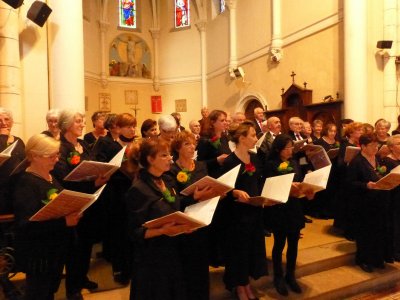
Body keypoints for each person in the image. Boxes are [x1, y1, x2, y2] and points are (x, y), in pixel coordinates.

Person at [11, 134, 81, 300]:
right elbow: (26, 225)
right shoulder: (26, 183)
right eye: (51, 156)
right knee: (39, 294)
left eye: (57, 154)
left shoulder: (50, 177)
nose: (56, 159)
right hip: (39, 255)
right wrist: (65, 222)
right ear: (34, 156)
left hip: (54, 251)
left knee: (49, 291)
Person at [52, 110, 108, 300]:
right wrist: (93, 183)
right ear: (67, 125)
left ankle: (82, 277)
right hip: (73, 202)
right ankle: (72, 289)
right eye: (78, 121)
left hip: (89, 201)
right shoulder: (61, 147)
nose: (83, 124)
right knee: (74, 249)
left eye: (83, 121)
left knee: (86, 245)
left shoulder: (83, 144)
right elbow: (63, 178)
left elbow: (90, 165)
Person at [125, 138, 189, 300]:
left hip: (173, 250)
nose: (170, 158)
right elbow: (135, 233)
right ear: (150, 159)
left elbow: (175, 208)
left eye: (169, 154)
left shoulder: (167, 180)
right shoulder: (138, 189)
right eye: (163, 155)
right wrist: (162, 230)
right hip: (152, 258)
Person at [166, 130, 219, 300]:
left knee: (201, 264)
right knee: (185, 264)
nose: (192, 147)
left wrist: (216, 192)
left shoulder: (202, 166)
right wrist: (192, 197)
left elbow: (208, 186)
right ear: (178, 148)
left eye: (193, 143)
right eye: (187, 144)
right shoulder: (172, 170)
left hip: (203, 218)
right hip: (184, 221)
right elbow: (171, 199)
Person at [220, 121, 268, 300]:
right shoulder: (230, 161)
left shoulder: (254, 158)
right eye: (253, 135)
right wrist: (235, 191)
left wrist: (265, 197)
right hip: (237, 215)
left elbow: (258, 182)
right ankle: (239, 286)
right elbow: (222, 188)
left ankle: (246, 282)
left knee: (250, 250)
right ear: (242, 138)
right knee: (238, 251)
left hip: (254, 211)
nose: (256, 138)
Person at [264, 134, 315, 296]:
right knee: (279, 244)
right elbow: (269, 186)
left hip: (294, 208)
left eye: (292, 147)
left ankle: (290, 276)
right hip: (279, 209)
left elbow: (299, 181)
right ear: (278, 149)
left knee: (293, 244)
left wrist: (307, 191)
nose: (291, 150)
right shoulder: (271, 164)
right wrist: (287, 185)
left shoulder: (294, 162)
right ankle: (278, 278)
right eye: (287, 148)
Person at [92, 113, 137, 285]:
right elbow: (102, 168)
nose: (132, 129)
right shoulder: (109, 145)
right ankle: (120, 270)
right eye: (127, 126)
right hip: (117, 195)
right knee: (119, 235)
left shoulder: (139, 145)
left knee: (133, 233)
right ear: (118, 128)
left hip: (135, 195)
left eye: (133, 126)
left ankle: (133, 268)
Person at [346, 133, 391, 272]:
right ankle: (363, 260)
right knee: (365, 232)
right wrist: (366, 185)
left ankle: (377, 258)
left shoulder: (377, 159)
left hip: (378, 201)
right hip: (363, 203)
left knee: (378, 230)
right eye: (372, 145)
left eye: (377, 145)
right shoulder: (357, 162)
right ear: (363, 146)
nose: (375, 148)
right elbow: (350, 183)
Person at [335, 122, 363, 239]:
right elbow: (340, 163)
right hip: (346, 177)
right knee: (348, 205)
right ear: (351, 133)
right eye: (359, 131)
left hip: (356, 175)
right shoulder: (344, 144)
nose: (361, 133)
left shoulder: (360, 144)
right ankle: (347, 229)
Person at [0, 107, 25, 214]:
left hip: (18, 187)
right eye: (0, 121)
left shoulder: (18, 140)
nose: (4, 123)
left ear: (12, 122)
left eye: (7, 119)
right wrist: (3, 137)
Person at [381, 134, 400, 261]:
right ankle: (394, 251)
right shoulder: (387, 161)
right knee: (395, 224)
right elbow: (386, 181)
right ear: (392, 147)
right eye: (399, 144)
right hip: (394, 198)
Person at [197, 110, 230, 178]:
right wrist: (217, 160)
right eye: (222, 120)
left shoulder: (224, 137)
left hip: (225, 174)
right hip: (213, 176)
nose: (225, 123)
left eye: (226, 120)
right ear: (213, 122)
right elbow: (200, 164)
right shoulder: (205, 140)